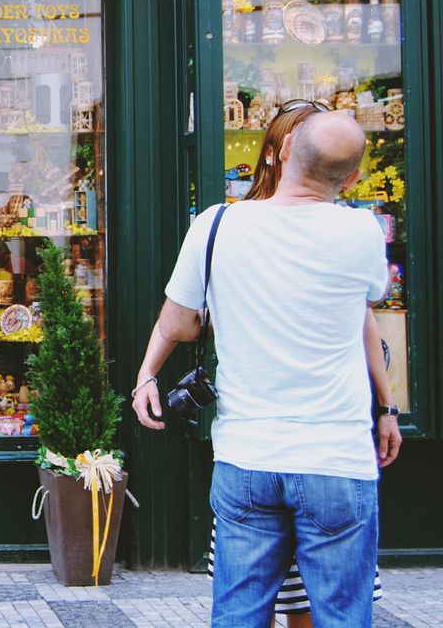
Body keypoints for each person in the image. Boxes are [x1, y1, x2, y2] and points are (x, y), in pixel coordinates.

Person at [132, 110, 394, 628]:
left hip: (248, 456)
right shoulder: (363, 231)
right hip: (336, 459)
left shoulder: (216, 225)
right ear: (354, 179)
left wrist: (147, 375)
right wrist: (386, 407)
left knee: (239, 613)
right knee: (342, 615)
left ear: (282, 148)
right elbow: (363, 311)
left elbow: (179, 323)